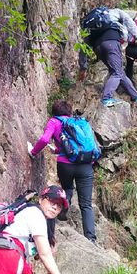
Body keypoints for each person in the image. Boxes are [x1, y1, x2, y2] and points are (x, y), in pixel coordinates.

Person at [29, 100, 97, 243]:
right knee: (86, 204)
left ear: (54, 111)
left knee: (67, 188)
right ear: (69, 112)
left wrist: (34, 152)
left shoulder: (54, 122)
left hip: (66, 164)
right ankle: (91, 238)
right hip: (85, 165)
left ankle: (61, 213)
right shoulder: (77, 122)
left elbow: (44, 139)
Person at [78, 5, 137, 106]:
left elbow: (83, 45)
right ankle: (106, 98)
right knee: (116, 72)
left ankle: (136, 97)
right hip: (111, 42)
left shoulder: (92, 25)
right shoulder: (115, 12)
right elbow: (129, 21)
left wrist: (83, 66)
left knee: (118, 71)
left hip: (97, 48)